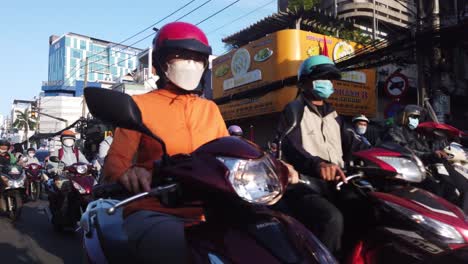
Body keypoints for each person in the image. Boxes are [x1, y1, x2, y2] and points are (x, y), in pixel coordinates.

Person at [103, 21, 298, 263]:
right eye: (182, 55)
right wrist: (128, 174)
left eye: (197, 58)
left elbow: (233, 154)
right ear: (161, 62)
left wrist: (271, 166)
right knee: (170, 248)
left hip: (211, 209)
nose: (191, 63)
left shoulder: (210, 108)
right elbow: (115, 163)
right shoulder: (139, 106)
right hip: (155, 209)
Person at [275, 55, 368, 255]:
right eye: (321, 77)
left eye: (329, 78)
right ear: (305, 82)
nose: (327, 83)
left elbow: (356, 144)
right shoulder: (294, 110)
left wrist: (386, 154)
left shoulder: (334, 115)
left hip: (337, 182)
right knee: (331, 218)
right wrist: (317, 165)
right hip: (303, 183)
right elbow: (291, 147)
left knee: (368, 207)